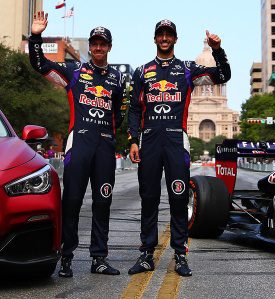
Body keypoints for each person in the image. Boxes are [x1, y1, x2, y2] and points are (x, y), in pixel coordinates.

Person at [127, 20, 231, 277]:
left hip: (176, 140)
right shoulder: (142, 71)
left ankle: (180, 255)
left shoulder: (188, 69)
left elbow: (223, 76)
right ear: (155, 39)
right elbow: (134, 109)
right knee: (149, 199)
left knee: (178, 198)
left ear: (175, 39)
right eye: (160, 34)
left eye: (168, 35)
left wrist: (218, 51)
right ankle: (146, 253)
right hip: (149, 140)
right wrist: (132, 139)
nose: (164, 38)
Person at [29, 12, 123, 277]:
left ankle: (99, 258)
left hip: (104, 146)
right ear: (91, 47)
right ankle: (66, 257)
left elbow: (118, 113)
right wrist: (36, 36)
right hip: (78, 143)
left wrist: (115, 141)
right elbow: (40, 65)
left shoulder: (117, 78)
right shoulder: (73, 73)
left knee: (103, 202)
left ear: (109, 47)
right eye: (94, 43)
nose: (98, 47)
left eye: (103, 43)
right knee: (71, 202)